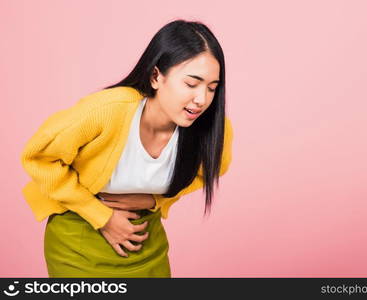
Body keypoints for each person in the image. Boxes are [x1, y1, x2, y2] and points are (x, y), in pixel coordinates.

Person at [20, 19, 233, 278]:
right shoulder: (107, 111)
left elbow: (210, 171)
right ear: (156, 76)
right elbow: (39, 158)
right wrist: (102, 217)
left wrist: (155, 200)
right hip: (78, 240)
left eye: (212, 88)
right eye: (191, 84)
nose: (201, 100)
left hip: (146, 241)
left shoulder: (210, 128)